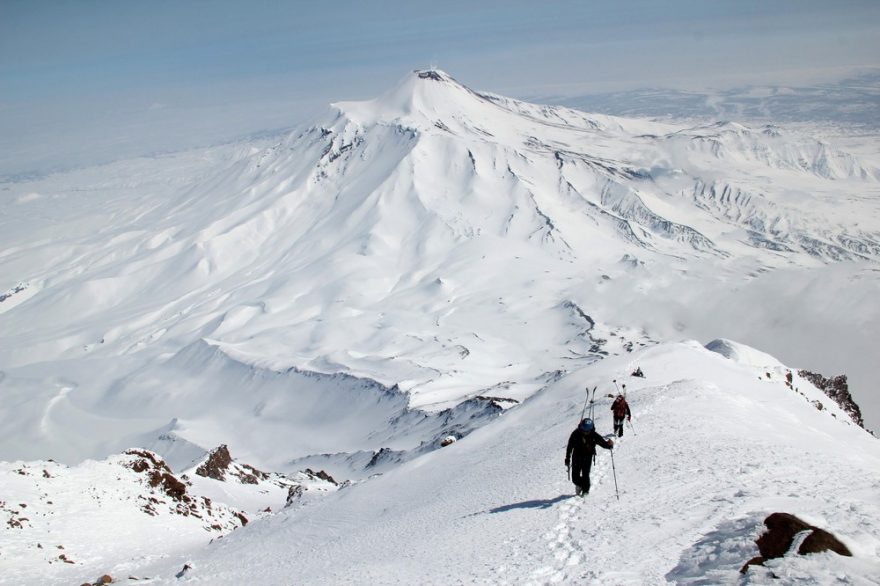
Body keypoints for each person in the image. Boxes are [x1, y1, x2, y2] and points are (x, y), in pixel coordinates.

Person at [564, 418, 613, 496]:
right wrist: (567, 458)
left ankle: (585, 491)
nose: (584, 432)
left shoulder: (594, 435)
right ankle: (580, 485)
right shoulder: (575, 433)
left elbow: (602, 443)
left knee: (585, 475)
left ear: (590, 429)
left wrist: (609, 445)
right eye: (583, 429)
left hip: (588, 457)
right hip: (576, 457)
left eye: (587, 430)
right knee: (575, 478)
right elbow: (570, 447)